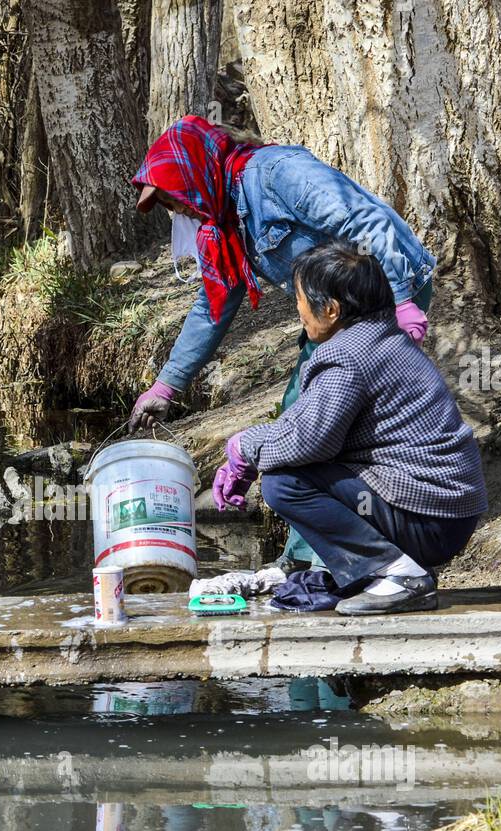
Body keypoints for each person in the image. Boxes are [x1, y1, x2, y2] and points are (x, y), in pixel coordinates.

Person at [129, 115, 436, 571]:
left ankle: (355, 556)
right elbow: (210, 307)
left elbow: (363, 220)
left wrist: (402, 297)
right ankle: (303, 557)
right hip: (331, 314)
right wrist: (166, 386)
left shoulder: (278, 173)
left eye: (176, 199)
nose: (180, 213)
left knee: (331, 428)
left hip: (384, 291)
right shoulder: (224, 222)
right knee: (298, 415)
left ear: (194, 172)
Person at [212, 241, 486, 616]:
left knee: (285, 484)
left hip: (428, 519)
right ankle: (383, 572)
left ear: (331, 309)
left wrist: (244, 447)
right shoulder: (381, 338)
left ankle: (401, 576)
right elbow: (303, 424)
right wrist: (246, 448)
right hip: (443, 516)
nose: (298, 309)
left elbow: (308, 443)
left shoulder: (347, 356)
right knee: (290, 473)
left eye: (300, 299)